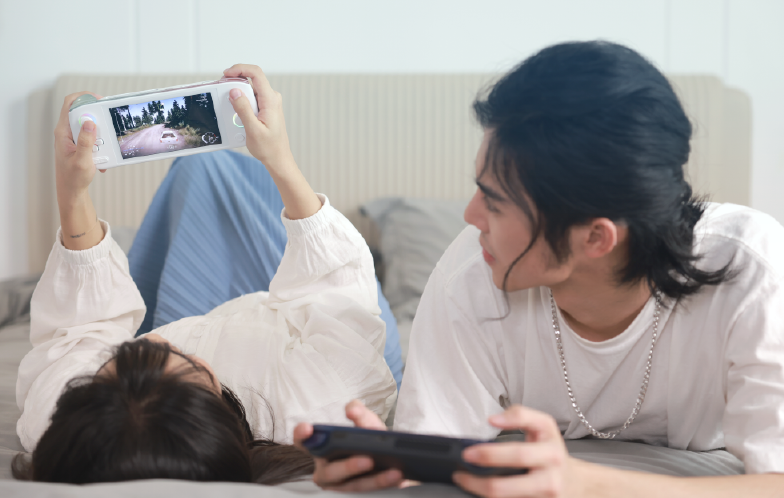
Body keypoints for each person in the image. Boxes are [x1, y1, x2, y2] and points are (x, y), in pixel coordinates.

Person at [295, 41, 784, 496]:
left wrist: (584, 482)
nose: (470, 217)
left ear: (596, 237)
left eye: (496, 203)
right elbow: (445, 461)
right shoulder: (470, 274)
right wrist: (392, 473)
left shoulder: (752, 269)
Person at [14, 64, 397, 484]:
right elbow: (336, 283)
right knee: (207, 171)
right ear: (219, 397)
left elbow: (85, 326)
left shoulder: (62, 420)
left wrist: (72, 191)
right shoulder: (321, 397)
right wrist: (278, 157)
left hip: (220, 324)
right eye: (176, 358)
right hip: (331, 332)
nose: (155, 338)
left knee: (191, 171)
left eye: (123, 358)